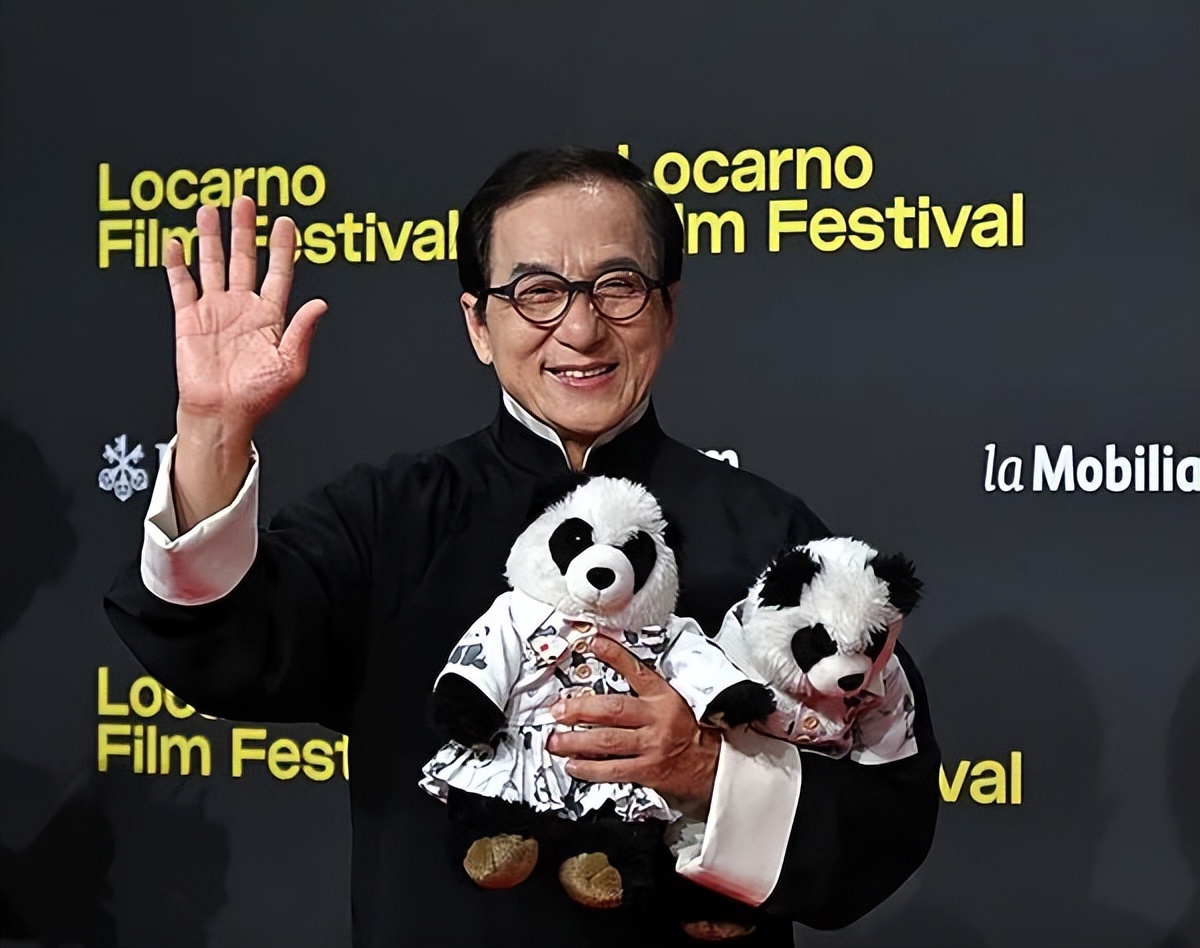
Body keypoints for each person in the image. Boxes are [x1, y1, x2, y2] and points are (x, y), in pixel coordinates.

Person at [105, 147, 940, 947]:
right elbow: (220, 644)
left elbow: (886, 816)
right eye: (537, 292)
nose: (580, 330)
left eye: (618, 286)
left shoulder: (773, 542)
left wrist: (708, 769)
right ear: (478, 323)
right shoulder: (391, 519)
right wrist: (211, 430)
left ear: (669, 309)